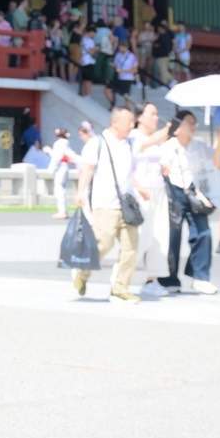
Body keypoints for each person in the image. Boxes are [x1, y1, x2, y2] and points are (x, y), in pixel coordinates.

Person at [72, 102, 142, 303]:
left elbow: (130, 174)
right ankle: (82, 273)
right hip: (105, 204)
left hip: (127, 205)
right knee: (103, 243)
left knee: (130, 248)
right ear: (115, 122)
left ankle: (120, 287)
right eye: (129, 122)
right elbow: (87, 170)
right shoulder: (98, 143)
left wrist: (140, 189)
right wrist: (80, 192)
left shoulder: (129, 144)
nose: (131, 125)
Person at [158, 112, 217, 295]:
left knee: (203, 233)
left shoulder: (199, 146)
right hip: (173, 192)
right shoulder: (168, 146)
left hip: (194, 193)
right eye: (190, 122)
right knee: (172, 237)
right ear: (178, 127)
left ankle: (200, 278)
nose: (194, 126)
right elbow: (161, 169)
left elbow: (216, 161)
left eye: (195, 123)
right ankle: (169, 278)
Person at [130, 101, 170, 295]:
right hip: (140, 194)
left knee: (160, 237)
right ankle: (125, 278)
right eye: (152, 114)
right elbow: (127, 169)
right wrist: (138, 186)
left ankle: (151, 280)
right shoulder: (133, 137)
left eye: (156, 114)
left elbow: (160, 159)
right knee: (141, 238)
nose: (156, 118)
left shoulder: (156, 141)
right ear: (139, 117)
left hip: (159, 192)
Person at [48, 129, 79, 219]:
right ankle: (63, 211)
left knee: (59, 189)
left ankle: (62, 211)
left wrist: (51, 169)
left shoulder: (58, 144)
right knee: (62, 189)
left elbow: (56, 158)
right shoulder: (66, 143)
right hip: (64, 167)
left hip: (60, 167)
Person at [109, 38, 138, 109]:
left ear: (126, 47)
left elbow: (135, 70)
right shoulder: (118, 55)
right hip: (118, 77)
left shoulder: (132, 56)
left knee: (126, 95)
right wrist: (113, 66)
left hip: (127, 78)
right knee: (108, 89)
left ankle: (128, 108)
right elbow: (116, 65)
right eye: (119, 47)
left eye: (121, 47)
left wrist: (122, 71)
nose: (119, 48)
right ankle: (113, 105)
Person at [77, 26, 96, 96]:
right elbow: (91, 52)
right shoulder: (90, 41)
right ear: (90, 32)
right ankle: (88, 95)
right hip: (89, 61)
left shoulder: (81, 39)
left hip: (83, 61)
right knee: (88, 80)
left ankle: (84, 94)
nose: (94, 35)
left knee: (84, 80)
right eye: (94, 33)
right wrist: (96, 49)